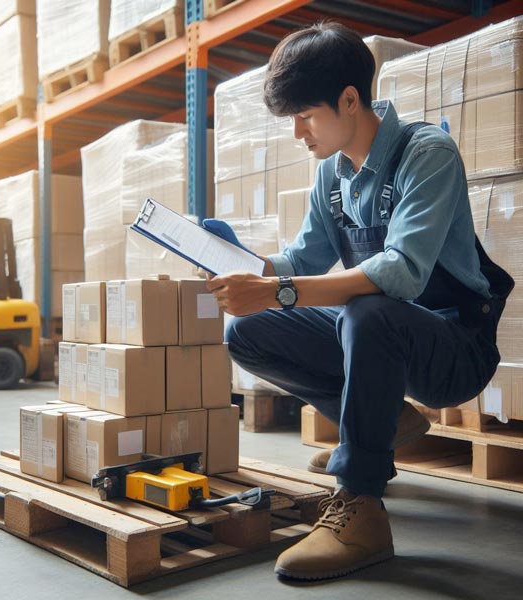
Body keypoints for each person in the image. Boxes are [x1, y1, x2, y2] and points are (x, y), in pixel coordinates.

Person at [204, 21, 514, 581]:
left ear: (350, 99)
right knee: (248, 332)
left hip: (454, 351)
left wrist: (276, 292)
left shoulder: (427, 153)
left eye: (306, 115)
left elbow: (400, 273)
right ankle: (384, 423)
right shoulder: (332, 175)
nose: (298, 132)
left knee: (369, 307)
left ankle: (362, 508)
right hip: (382, 336)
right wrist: (242, 264)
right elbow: (302, 260)